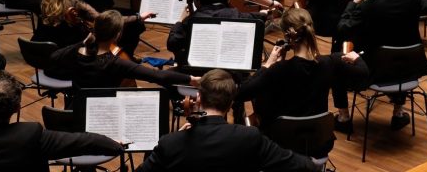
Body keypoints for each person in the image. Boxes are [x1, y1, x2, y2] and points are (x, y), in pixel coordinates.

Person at [137, 68, 319, 172]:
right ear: (231, 103)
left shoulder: (171, 143)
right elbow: (304, 167)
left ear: (199, 98)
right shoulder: (250, 137)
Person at [237, 8, 369, 140]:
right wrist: (357, 58)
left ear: (287, 37)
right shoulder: (331, 62)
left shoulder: (278, 69)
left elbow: (242, 93)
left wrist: (267, 65)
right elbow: (363, 73)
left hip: (284, 146)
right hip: (319, 142)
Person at [337, 0, 423, 130]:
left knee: (335, 62)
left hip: (375, 72)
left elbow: (343, 28)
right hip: (408, 70)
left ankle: (343, 118)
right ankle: (398, 113)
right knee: (400, 47)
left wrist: (355, 2)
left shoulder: (368, 7)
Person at [0, 70, 123, 172]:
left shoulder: (28, 135)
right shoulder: (28, 135)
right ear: (17, 108)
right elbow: (83, 141)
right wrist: (115, 145)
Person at [50, 10, 197, 93]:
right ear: (118, 35)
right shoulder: (116, 63)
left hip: (78, 106)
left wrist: (81, 42)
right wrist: (191, 79)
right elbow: (157, 76)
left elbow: (54, 56)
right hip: (106, 111)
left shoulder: (78, 51)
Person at [167, 0, 263, 67]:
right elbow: (250, 17)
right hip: (230, 67)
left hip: (198, 71)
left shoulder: (192, 20)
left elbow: (172, 44)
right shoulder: (233, 13)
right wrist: (264, 14)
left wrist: (180, 20)